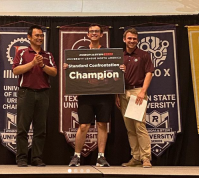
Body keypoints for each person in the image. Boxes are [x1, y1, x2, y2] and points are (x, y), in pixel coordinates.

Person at [64, 24, 126, 167]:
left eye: (96, 31)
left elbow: (115, 77)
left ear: (101, 35)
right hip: (85, 94)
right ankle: (76, 156)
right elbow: (73, 70)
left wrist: (120, 69)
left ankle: (101, 157)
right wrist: (68, 67)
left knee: (102, 124)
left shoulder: (108, 53)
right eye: (91, 31)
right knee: (84, 125)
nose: (94, 33)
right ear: (87, 35)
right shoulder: (81, 51)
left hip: (104, 95)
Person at [12, 25, 57, 167]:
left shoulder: (47, 55)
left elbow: (54, 72)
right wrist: (32, 63)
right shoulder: (22, 53)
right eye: (36, 35)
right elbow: (16, 71)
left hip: (43, 93)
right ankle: (22, 158)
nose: (39, 38)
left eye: (41, 36)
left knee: (40, 129)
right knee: (22, 128)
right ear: (29, 37)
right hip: (26, 93)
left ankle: (36, 158)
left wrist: (42, 65)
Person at [115, 27, 154, 168]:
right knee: (130, 128)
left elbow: (149, 73)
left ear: (137, 40)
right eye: (129, 38)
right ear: (124, 39)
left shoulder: (144, 55)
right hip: (123, 92)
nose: (132, 41)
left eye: (134, 39)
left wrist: (143, 91)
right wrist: (117, 94)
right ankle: (136, 157)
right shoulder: (120, 56)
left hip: (137, 92)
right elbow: (114, 77)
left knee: (139, 126)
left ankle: (146, 158)